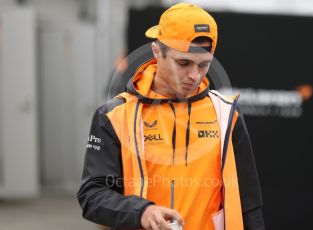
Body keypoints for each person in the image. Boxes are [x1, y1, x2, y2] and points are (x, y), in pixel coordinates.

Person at [78, 3, 264, 230]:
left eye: (204, 65)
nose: (194, 76)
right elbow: (92, 195)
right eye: (183, 63)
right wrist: (142, 211)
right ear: (157, 51)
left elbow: (249, 204)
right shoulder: (114, 115)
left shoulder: (226, 114)